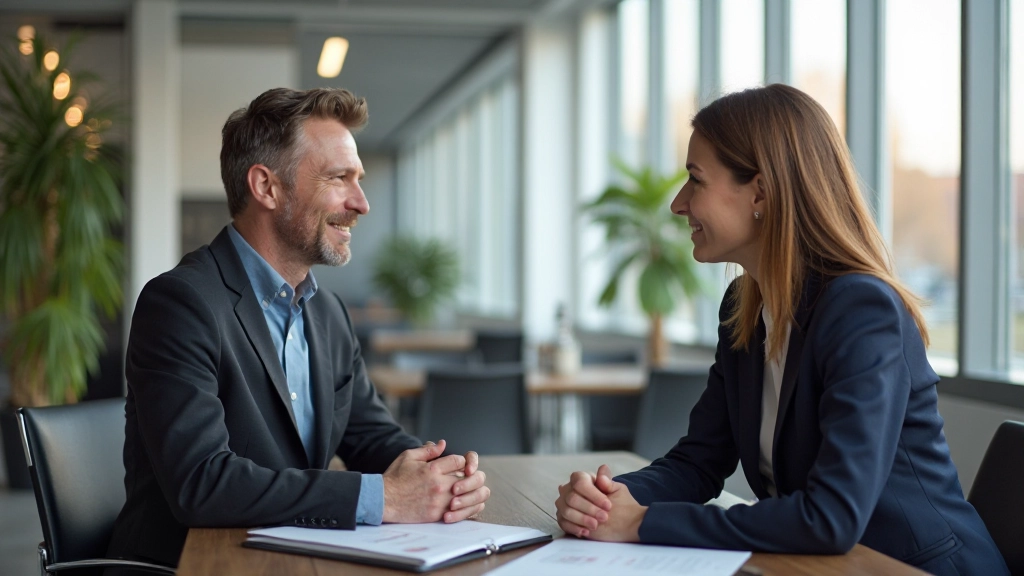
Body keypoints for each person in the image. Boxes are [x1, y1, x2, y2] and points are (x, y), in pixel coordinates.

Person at [554, 84, 1008, 575]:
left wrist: (643, 523)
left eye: (695, 180)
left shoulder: (862, 311)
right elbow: (698, 462)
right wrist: (607, 501)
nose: (679, 204)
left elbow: (832, 518)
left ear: (762, 192)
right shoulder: (743, 308)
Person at [106, 87, 490, 570]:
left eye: (360, 179)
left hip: (291, 555)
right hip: (189, 564)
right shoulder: (181, 304)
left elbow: (370, 436)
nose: (361, 203)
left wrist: (439, 475)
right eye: (339, 178)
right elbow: (201, 483)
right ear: (266, 187)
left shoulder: (327, 312)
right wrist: (384, 498)